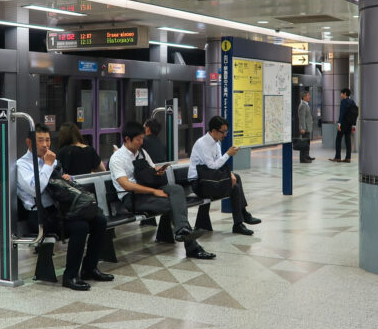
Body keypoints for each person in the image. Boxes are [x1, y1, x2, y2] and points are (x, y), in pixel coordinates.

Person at [18, 124, 111, 291]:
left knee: (99, 220)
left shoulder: (52, 161)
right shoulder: (22, 165)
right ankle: (70, 276)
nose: (45, 145)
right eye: (40, 141)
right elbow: (35, 189)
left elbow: (60, 187)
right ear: (29, 142)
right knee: (80, 227)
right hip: (40, 216)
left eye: (47, 140)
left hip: (59, 211)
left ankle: (89, 268)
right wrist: (47, 165)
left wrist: (67, 178)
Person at [109, 121, 215, 260]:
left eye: (142, 138)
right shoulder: (117, 158)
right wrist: (154, 192)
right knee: (174, 204)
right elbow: (126, 185)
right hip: (133, 197)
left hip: (149, 189)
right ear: (127, 139)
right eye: (138, 139)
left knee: (176, 190)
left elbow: (151, 169)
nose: (141, 142)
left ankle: (182, 231)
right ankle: (192, 246)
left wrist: (157, 171)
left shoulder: (142, 152)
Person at [188, 116, 261, 235]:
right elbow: (212, 166)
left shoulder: (216, 143)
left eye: (226, 131)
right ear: (214, 131)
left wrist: (230, 174)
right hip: (199, 183)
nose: (225, 135)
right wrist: (228, 154)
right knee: (234, 188)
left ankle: (243, 214)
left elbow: (218, 165)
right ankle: (239, 223)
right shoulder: (202, 144)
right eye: (223, 132)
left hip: (209, 179)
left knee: (236, 177)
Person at [331, 88, 357, 163]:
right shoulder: (352, 102)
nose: (341, 95)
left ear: (345, 93)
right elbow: (355, 114)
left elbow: (341, 114)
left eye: (341, 93)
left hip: (343, 124)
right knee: (348, 140)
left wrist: (339, 123)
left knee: (338, 140)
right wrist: (354, 125)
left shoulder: (343, 102)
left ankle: (338, 157)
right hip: (349, 124)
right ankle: (348, 158)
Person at [297, 89, 314, 163]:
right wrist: (302, 128)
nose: (309, 97)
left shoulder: (306, 105)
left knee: (307, 143)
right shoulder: (302, 106)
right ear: (304, 97)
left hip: (308, 128)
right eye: (308, 95)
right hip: (305, 128)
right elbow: (302, 118)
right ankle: (303, 158)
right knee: (303, 144)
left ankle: (307, 156)